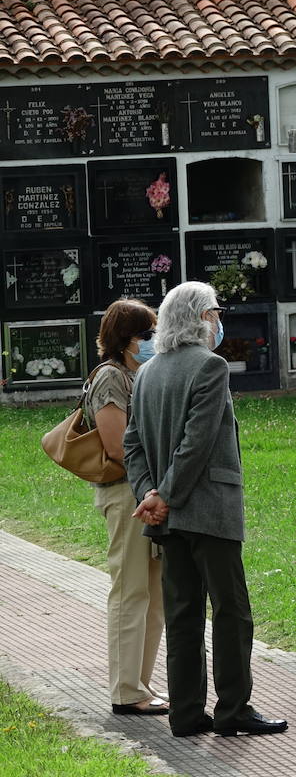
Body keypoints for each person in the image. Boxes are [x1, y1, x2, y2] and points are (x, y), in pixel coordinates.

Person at [123, 282, 286, 737]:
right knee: (232, 613)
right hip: (207, 509)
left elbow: (131, 444)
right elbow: (198, 441)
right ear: (198, 318)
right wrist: (166, 495)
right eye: (215, 312)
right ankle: (234, 710)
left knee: (183, 614)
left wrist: (148, 495)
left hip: (167, 517)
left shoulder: (149, 372)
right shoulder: (211, 366)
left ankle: (187, 713)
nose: (219, 320)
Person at [87, 299, 166, 716]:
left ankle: (141, 683)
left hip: (147, 493)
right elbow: (117, 446)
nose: (152, 341)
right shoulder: (110, 378)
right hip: (125, 494)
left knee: (154, 596)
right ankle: (124, 691)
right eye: (146, 334)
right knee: (130, 590)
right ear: (125, 338)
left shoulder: (140, 373)